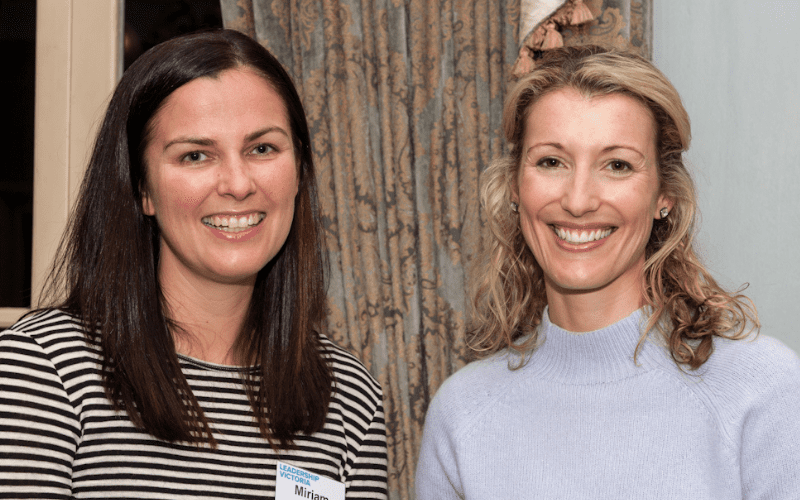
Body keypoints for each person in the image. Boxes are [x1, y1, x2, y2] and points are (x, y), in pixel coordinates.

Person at [0, 29, 387, 499]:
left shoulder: (348, 395)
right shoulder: (40, 369)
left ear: (300, 171)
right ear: (142, 189)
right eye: (196, 155)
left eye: (262, 148)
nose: (238, 183)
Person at [416, 45, 800, 498]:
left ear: (665, 195)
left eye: (617, 165)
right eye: (551, 162)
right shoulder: (461, 414)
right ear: (515, 186)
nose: (579, 200)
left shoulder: (763, 389)